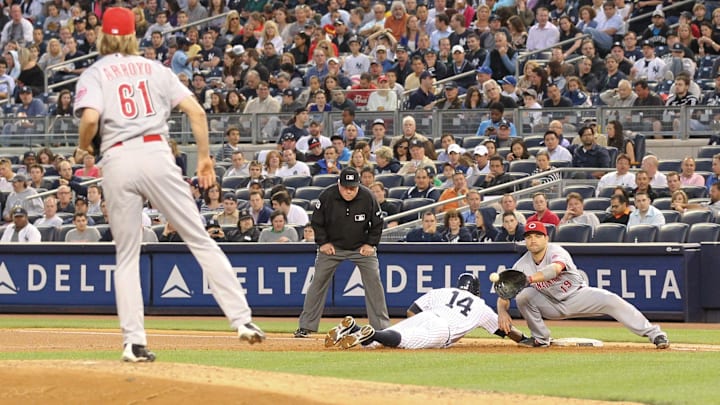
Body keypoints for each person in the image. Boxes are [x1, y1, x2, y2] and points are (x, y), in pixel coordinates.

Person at [74, 8, 264, 362]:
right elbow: (196, 112)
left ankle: (134, 342)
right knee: (199, 237)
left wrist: (85, 145)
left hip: (116, 157)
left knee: (127, 255)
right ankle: (243, 321)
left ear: (102, 36)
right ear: (134, 35)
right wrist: (205, 157)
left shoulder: (96, 71)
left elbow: (89, 119)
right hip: (156, 152)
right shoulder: (155, 69)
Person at [496, 221, 670, 349]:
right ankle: (540, 339)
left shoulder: (556, 251)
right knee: (524, 296)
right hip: (551, 303)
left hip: (577, 296)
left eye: (537, 236)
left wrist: (530, 279)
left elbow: (555, 269)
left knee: (611, 300)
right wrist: (502, 311)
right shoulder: (521, 265)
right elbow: (505, 291)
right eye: (529, 237)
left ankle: (656, 334)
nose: (533, 240)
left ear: (546, 238)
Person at [294, 167, 390, 337]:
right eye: (345, 186)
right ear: (339, 184)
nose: (349, 191)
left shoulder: (368, 197)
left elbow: (377, 223)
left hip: (361, 247)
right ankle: (306, 326)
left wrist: (371, 244)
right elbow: (316, 222)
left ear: (358, 185)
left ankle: (381, 327)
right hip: (333, 248)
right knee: (317, 283)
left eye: (353, 187)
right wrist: (322, 243)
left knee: (374, 282)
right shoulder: (327, 196)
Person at [328, 273, 526, 349]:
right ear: (477, 290)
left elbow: (411, 311)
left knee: (384, 341)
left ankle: (354, 328)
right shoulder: (481, 306)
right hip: (442, 329)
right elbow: (508, 331)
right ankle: (373, 332)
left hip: (427, 316)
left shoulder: (442, 291)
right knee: (402, 343)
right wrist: (528, 339)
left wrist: (420, 324)